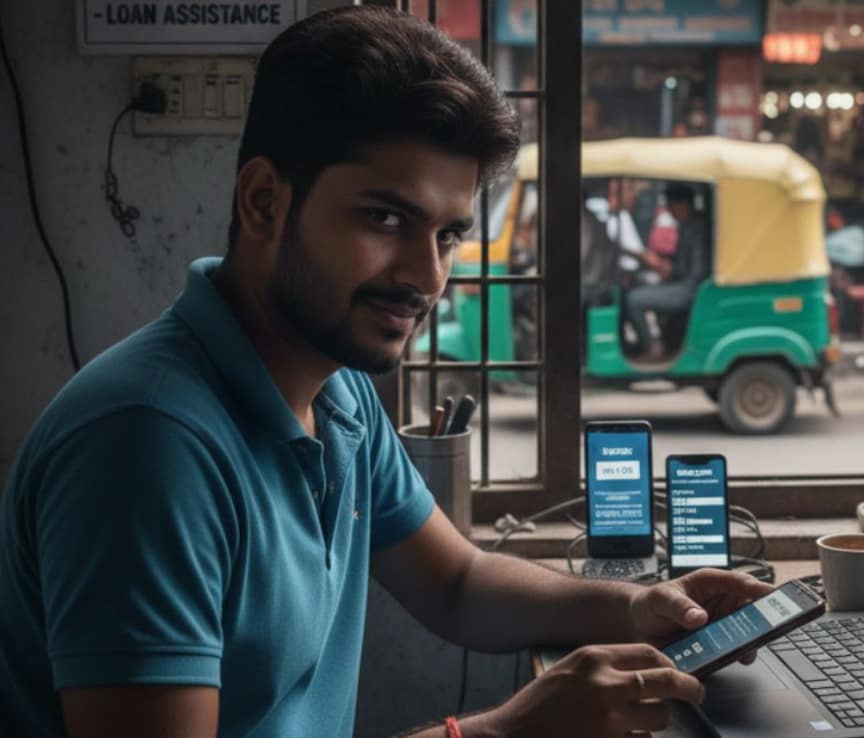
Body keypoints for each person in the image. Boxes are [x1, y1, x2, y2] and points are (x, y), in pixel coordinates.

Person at [0, 9, 772, 738]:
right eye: (384, 219)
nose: (425, 276)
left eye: (449, 235)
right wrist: (504, 729)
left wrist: (640, 607)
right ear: (265, 201)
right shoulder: (147, 443)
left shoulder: (336, 394)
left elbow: (458, 585)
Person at [625, 184, 710, 360]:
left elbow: (695, 272)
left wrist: (669, 271)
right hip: (682, 282)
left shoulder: (696, 229)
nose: (669, 211)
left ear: (682, 205)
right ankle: (665, 340)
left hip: (689, 289)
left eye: (671, 206)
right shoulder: (687, 225)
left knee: (633, 299)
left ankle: (652, 347)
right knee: (640, 283)